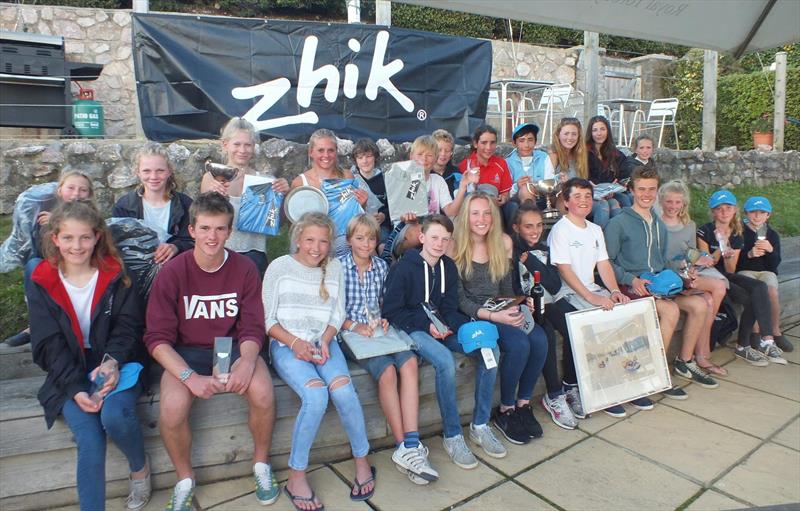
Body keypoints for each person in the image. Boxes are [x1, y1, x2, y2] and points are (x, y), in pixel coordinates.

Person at [145, 192, 278, 510]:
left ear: (230, 231)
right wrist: (190, 378)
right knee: (172, 408)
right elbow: (157, 339)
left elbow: (251, 326)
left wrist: (247, 361)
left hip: (226, 346)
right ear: (191, 230)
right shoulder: (174, 271)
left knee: (262, 391)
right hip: (186, 350)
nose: (212, 237)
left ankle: (261, 465)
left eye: (220, 229)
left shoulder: (244, 268)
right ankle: (184, 479)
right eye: (205, 228)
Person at [27, 200, 150, 511]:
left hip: (114, 359)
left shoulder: (117, 273)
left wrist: (112, 361)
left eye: (84, 237)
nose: (77, 246)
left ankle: (140, 468)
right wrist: (75, 388)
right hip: (68, 367)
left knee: (113, 415)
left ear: (97, 236)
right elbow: (47, 343)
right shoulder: (42, 279)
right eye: (68, 238)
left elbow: (128, 326)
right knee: (90, 438)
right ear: (54, 239)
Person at [264, 212, 374, 510]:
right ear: (298, 239)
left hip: (324, 342)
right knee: (315, 395)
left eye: (323, 241)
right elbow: (268, 319)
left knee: (343, 391)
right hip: (288, 345)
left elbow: (337, 313)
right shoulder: (280, 267)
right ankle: (296, 476)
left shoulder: (334, 268)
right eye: (310, 240)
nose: (316, 247)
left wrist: (326, 339)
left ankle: (362, 461)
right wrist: (295, 343)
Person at [549, 177, 684, 419]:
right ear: (566, 201)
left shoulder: (594, 229)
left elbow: (604, 264)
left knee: (627, 314)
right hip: (567, 292)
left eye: (587, 196)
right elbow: (564, 271)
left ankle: (628, 385)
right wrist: (593, 297)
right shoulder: (561, 229)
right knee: (597, 323)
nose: (583, 201)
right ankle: (599, 391)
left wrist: (614, 291)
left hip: (591, 288)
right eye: (577, 196)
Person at [383, 215, 503, 468]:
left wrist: (462, 329)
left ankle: (480, 425)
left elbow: (449, 307)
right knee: (445, 362)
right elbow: (392, 311)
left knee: (489, 350)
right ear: (422, 237)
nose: (439, 244)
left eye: (445, 239)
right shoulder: (404, 267)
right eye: (434, 237)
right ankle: (452, 435)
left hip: (444, 328)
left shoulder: (448, 266)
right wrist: (426, 325)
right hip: (413, 329)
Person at [338, 214, 438, 485]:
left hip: (380, 330)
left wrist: (384, 317)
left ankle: (412, 441)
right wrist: (353, 325)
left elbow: (387, 302)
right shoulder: (338, 268)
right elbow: (331, 312)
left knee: (408, 363)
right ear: (349, 241)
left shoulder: (381, 267)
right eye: (359, 238)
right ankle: (402, 445)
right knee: (388, 373)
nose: (366, 244)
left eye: (371, 239)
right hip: (351, 334)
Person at [605, 168, 719, 404]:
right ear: (632, 190)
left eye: (651, 189)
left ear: (656, 192)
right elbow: (606, 262)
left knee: (699, 304)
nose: (646, 194)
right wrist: (631, 279)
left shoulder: (657, 222)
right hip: (634, 285)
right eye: (641, 189)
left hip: (660, 283)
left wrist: (685, 275)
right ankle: (654, 375)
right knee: (671, 310)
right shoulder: (619, 223)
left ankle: (684, 361)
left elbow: (662, 260)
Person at [451, 192, 548, 445]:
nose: (481, 219)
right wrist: (496, 316)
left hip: (500, 307)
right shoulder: (455, 246)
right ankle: (505, 410)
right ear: (466, 217)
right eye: (475, 213)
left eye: (486, 213)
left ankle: (523, 403)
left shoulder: (503, 242)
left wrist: (517, 302)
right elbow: (460, 300)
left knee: (539, 338)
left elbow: (505, 290)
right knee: (518, 344)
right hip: (476, 316)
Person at [4, 171, 95, 347]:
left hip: (85, 267)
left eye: (83, 190)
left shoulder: (93, 217)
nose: (76, 194)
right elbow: (40, 251)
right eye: (71, 188)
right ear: (60, 191)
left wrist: (59, 222)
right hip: (55, 264)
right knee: (33, 266)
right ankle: (34, 326)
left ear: (89, 194)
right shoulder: (45, 216)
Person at [510, 202, 578, 430]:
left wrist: (531, 261)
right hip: (524, 305)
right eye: (528, 226)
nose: (535, 231)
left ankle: (571, 384)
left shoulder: (543, 249)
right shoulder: (511, 251)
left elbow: (555, 283)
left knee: (572, 323)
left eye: (539, 225)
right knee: (547, 333)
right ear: (516, 228)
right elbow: (513, 287)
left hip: (548, 301)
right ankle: (554, 395)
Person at [697, 191, 785, 365]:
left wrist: (729, 254)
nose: (724, 212)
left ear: (735, 210)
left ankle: (766, 339)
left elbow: (731, 269)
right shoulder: (704, 230)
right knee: (751, 298)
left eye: (728, 208)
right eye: (719, 209)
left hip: (727, 275)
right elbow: (705, 262)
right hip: (708, 274)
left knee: (759, 287)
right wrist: (720, 250)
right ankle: (744, 346)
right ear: (713, 212)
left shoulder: (737, 233)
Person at [200, 117, 290, 277]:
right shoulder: (211, 178)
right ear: (225, 144)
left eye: (248, 145)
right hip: (220, 254)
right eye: (237, 144)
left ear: (254, 147)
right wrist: (212, 196)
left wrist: (284, 197)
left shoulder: (266, 181)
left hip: (254, 258)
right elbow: (203, 218)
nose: (242, 150)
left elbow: (277, 223)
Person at [658, 180, 729, 376]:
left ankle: (693, 357)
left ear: (683, 203)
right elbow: (658, 259)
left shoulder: (689, 225)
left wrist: (698, 262)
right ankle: (701, 354)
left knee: (708, 299)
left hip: (685, 274)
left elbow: (690, 254)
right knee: (714, 292)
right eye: (669, 202)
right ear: (662, 201)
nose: (673, 206)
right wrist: (683, 272)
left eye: (677, 202)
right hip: (668, 277)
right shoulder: (656, 224)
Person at [290, 128, 373, 257]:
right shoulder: (300, 183)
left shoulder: (347, 176)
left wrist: (362, 204)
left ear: (336, 152)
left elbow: (356, 215)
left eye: (331, 150)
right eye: (320, 150)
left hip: (346, 241)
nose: (326, 155)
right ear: (311, 152)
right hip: (314, 245)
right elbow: (295, 224)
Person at [112, 142, 193, 265]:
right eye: (146, 171)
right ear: (137, 172)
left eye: (160, 170)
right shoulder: (123, 207)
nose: (153, 176)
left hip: (175, 272)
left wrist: (176, 247)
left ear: (169, 171)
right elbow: (118, 247)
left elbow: (194, 240)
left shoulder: (186, 204)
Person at [737, 196, 792, 352]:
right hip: (746, 271)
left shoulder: (772, 235)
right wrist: (748, 255)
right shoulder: (740, 232)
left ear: (768, 215)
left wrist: (770, 250)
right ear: (746, 213)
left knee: (771, 292)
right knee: (756, 292)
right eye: (753, 212)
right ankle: (754, 332)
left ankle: (775, 331)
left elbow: (775, 263)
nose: (757, 216)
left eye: (762, 213)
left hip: (767, 272)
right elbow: (736, 263)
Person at [503, 122, 556, 229]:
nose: (526, 145)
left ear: (535, 142)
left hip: (544, 196)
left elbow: (550, 181)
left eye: (530, 140)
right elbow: (506, 192)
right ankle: (533, 227)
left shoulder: (543, 157)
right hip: (519, 198)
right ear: (514, 143)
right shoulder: (508, 162)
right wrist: (517, 185)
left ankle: (564, 231)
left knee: (564, 193)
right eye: (521, 141)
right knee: (526, 189)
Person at [411, 135, 474, 218]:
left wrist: (462, 186)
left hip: (433, 227)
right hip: (408, 227)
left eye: (429, 155)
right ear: (411, 156)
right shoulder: (404, 179)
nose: (424, 158)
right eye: (419, 154)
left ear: (435, 158)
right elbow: (402, 210)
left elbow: (450, 213)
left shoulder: (438, 180)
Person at [586, 116, 629, 228]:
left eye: (602, 129)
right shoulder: (584, 153)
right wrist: (590, 185)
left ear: (608, 131)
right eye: (595, 130)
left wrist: (617, 184)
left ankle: (622, 237)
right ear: (590, 133)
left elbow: (625, 174)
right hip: (592, 193)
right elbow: (583, 175)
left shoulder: (615, 154)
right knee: (610, 204)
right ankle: (600, 240)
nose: (599, 133)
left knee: (625, 199)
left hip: (612, 192)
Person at [458, 125, 513, 208]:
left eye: (492, 143)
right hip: (473, 209)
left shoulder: (501, 164)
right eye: (484, 143)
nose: (488, 147)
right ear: (475, 144)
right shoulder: (466, 166)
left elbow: (505, 193)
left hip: (495, 207)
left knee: (512, 207)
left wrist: (503, 198)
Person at [350, 138, 391, 242]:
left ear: (375, 157)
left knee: (383, 240)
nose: (365, 161)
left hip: (381, 225)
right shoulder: (351, 180)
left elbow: (393, 204)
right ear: (355, 161)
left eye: (368, 156)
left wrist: (384, 215)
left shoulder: (386, 178)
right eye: (360, 157)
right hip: (359, 225)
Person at [548, 117, 589, 181]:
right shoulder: (552, 154)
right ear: (558, 135)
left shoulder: (580, 155)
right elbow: (547, 183)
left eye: (574, 134)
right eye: (566, 134)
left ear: (579, 136)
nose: (570, 138)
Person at [431, 129, 461, 196]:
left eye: (447, 151)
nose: (443, 154)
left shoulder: (456, 173)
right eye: (439, 150)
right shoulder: (425, 173)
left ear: (451, 152)